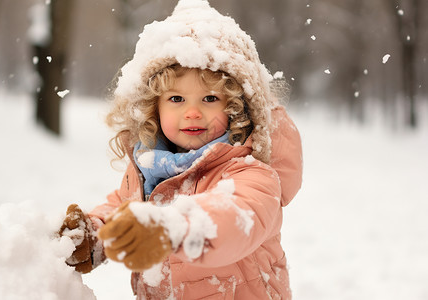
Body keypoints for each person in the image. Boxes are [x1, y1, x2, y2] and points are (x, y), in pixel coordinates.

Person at [58, 0, 302, 299]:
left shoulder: (250, 172)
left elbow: (236, 219)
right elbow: (121, 211)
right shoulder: (149, 169)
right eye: (176, 99)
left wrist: (172, 229)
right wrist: (94, 235)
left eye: (210, 99)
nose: (193, 113)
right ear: (153, 108)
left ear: (237, 107)